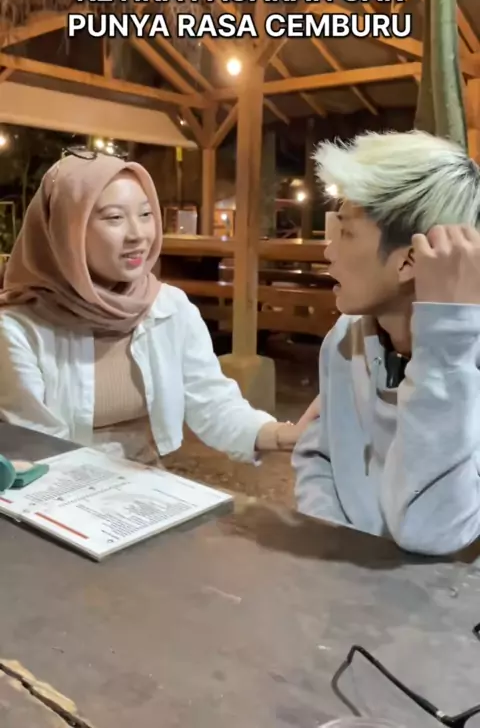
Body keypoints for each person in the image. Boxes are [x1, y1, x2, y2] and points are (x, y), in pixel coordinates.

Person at [0, 149, 299, 465]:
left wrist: (282, 435)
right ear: (65, 231)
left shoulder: (169, 307)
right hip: (60, 487)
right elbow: (37, 447)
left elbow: (213, 403)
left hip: (147, 483)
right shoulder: (19, 328)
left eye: (145, 214)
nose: (138, 235)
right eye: (114, 217)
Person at [292, 130, 480, 556]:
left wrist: (445, 346)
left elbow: (429, 529)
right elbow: (318, 456)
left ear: (410, 259)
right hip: (347, 580)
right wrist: (336, 547)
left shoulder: (463, 360)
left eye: (346, 232)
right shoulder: (345, 338)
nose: (328, 251)